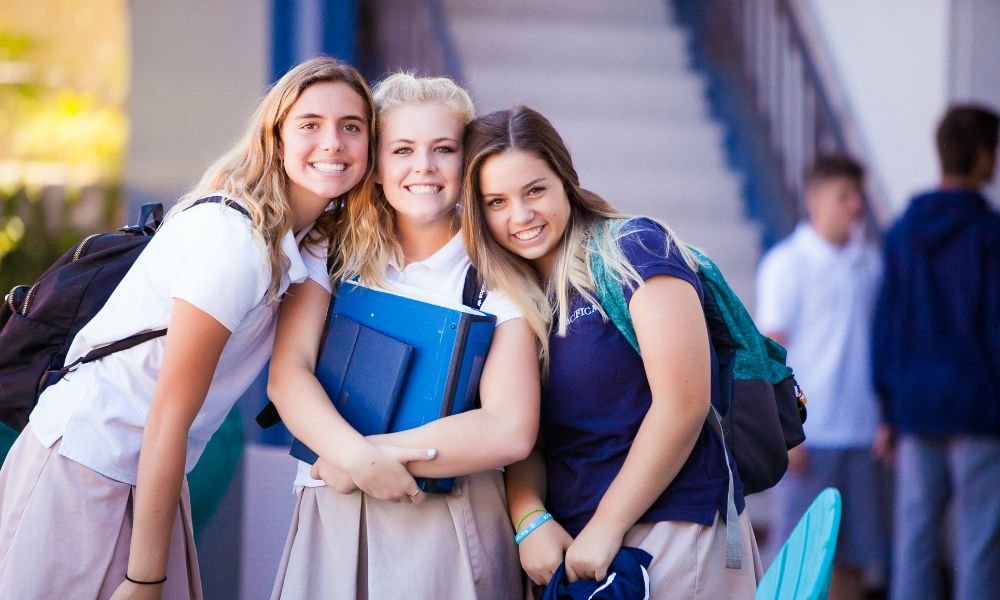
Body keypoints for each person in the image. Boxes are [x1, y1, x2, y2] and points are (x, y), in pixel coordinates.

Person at [0, 56, 375, 599]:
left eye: (352, 127)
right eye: (310, 125)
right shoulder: (233, 242)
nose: (333, 143)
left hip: (147, 473)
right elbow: (168, 415)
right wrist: (144, 577)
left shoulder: (302, 244)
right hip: (90, 465)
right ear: (275, 139)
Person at [460, 105, 762, 598]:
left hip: (673, 534)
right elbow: (523, 435)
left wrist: (607, 526)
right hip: (574, 556)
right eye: (496, 201)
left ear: (564, 179)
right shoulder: (505, 295)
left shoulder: (634, 249)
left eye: (535, 190)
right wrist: (530, 518)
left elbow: (682, 405)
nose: (521, 216)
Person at [267, 73, 540, 599]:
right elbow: (288, 374)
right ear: (374, 164)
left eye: (444, 149)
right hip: (333, 501)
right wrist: (353, 459)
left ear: (470, 162)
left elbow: (509, 428)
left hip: (445, 516)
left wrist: (365, 457)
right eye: (402, 150)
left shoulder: (495, 271)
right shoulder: (333, 248)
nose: (424, 168)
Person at [873, 104, 1000, 600]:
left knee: (916, 539)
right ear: (981, 155)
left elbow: (886, 326)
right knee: (980, 542)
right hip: (980, 408)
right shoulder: (990, 235)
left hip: (914, 407)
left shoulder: (903, 232)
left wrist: (886, 407)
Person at [755, 155, 886, 599]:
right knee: (797, 552)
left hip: (861, 431)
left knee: (853, 554)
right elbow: (771, 352)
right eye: (843, 195)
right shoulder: (787, 264)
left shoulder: (869, 263)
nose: (854, 206)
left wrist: (884, 418)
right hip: (811, 433)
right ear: (814, 199)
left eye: (857, 196)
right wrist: (786, 432)